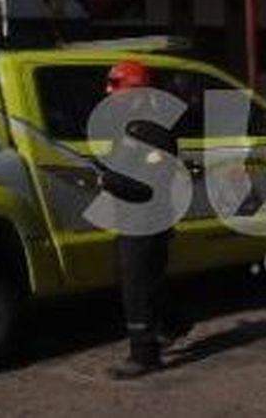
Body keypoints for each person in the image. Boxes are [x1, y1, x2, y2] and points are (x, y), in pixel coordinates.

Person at [97, 60, 193, 379]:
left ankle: (143, 354)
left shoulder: (151, 130)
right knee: (145, 277)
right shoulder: (134, 122)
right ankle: (174, 323)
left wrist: (108, 182)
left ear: (135, 92)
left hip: (146, 219)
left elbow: (148, 187)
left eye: (115, 84)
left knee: (136, 285)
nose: (107, 89)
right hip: (138, 218)